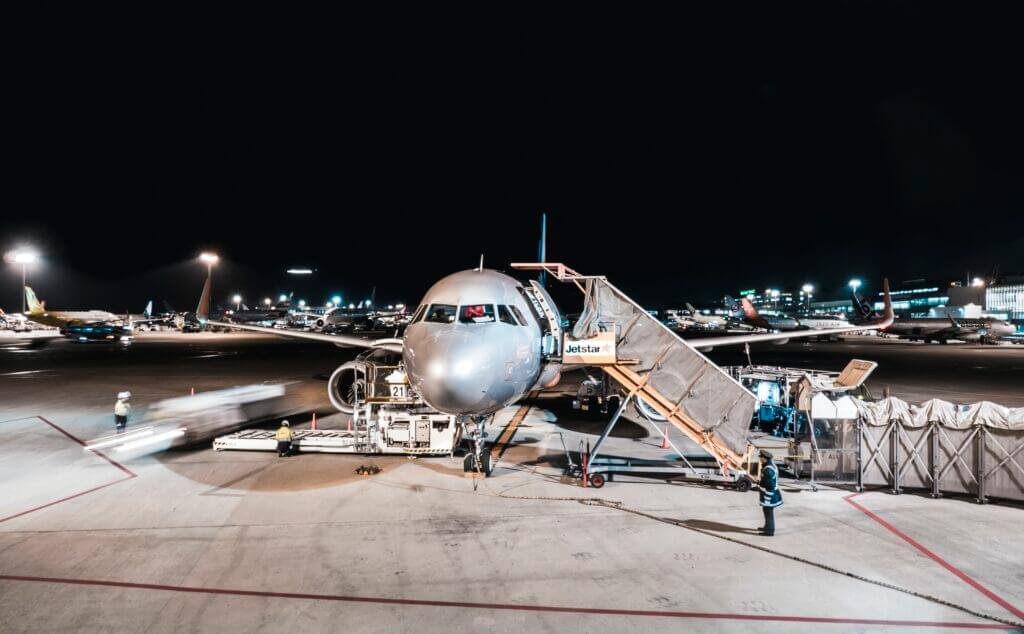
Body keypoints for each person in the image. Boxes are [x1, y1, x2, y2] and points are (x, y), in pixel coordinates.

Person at [757, 449, 783, 536]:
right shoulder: (770, 466)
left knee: (768, 512)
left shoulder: (768, 469)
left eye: (761, 457)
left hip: (769, 495)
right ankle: (767, 526)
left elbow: (770, 486)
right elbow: (766, 481)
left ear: (765, 458)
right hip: (769, 494)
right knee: (766, 511)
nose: (760, 459)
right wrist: (760, 482)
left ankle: (769, 531)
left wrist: (767, 498)